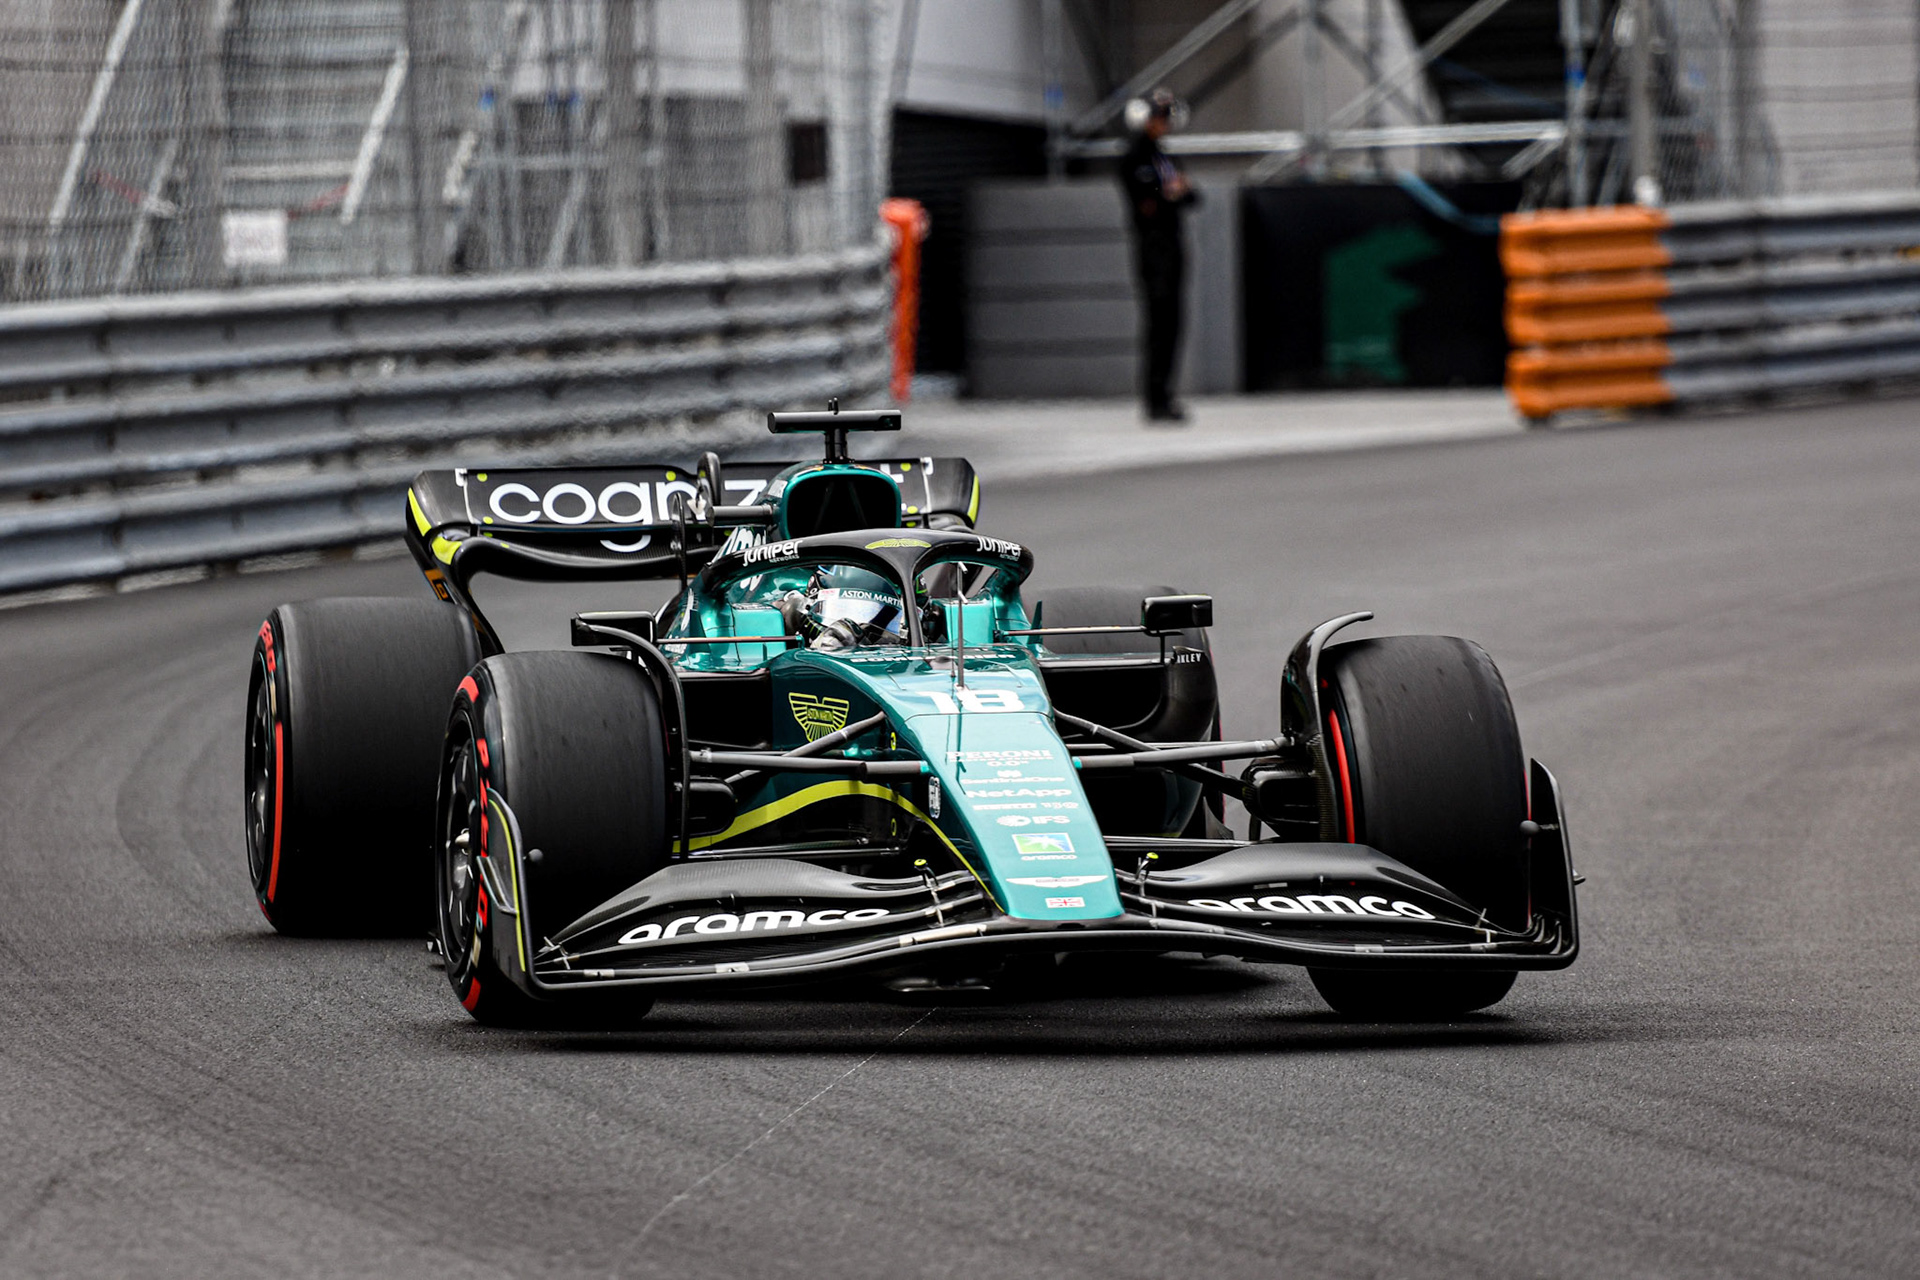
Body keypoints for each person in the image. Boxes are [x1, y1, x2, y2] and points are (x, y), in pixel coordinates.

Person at [1119, 89, 1198, 423]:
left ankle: (1166, 394)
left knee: (1174, 324)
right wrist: (1171, 194)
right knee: (1158, 324)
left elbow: (1190, 196)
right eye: (1158, 117)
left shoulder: (1163, 156)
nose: (1163, 124)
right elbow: (1149, 200)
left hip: (1173, 245)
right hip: (1154, 249)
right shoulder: (1135, 156)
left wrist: (1176, 193)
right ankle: (1154, 398)